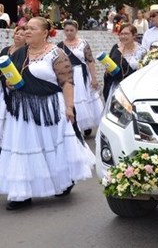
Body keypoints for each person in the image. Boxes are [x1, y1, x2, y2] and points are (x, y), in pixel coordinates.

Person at [0, 17, 95, 210]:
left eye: (32, 29)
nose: (27, 31)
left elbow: (67, 81)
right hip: (23, 111)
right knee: (24, 148)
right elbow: (9, 78)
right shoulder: (19, 54)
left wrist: (69, 107)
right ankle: (21, 193)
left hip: (51, 108)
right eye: (26, 28)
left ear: (45, 33)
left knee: (52, 146)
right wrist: (9, 82)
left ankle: (64, 181)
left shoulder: (56, 53)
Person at [58, 20, 103, 137]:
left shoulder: (83, 44)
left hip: (81, 75)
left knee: (85, 98)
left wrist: (94, 78)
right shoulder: (60, 46)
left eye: (71, 30)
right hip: (68, 76)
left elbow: (90, 61)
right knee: (71, 100)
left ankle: (87, 126)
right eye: (66, 30)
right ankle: (75, 126)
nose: (69, 33)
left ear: (76, 31)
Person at [103, 24, 147, 100]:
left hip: (133, 87)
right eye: (121, 34)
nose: (123, 36)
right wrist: (108, 71)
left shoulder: (141, 50)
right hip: (117, 86)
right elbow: (109, 63)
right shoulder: (116, 48)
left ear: (134, 35)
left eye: (126, 34)